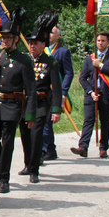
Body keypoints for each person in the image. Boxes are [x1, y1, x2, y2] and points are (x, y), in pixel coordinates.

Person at [0, 8, 36, 193]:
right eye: (2, 37)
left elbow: (30, 89)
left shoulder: (24, 61)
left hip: (12, 106)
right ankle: (0, 167)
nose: (4, 40)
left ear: (15, 39)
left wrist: (30, 114)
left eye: (8, 38)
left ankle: (4, 178)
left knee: (8, 141)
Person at [19, 17, 61, 184]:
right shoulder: (24, 61)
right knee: (25, 136)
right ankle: (28, 163)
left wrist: (57, 110)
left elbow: (56, 88)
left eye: (36, 43)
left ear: (43, 45)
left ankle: (34, 169)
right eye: (30, 43)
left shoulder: (50, 62)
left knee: (36, 137)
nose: (32, 46)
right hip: (24, 104)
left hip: (41, 104)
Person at [71, 31, 109, 158]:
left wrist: (101, 65)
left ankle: (103, 147)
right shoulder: (90, 57)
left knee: (105, 121)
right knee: (88, 120)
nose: (100, 43)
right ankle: (83, 147)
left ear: (108, 42)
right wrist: (90, 91)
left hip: (106, 94)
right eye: (98, 40)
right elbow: (83, 78)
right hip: (92, 94)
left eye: (103, 40)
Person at [42, 24, 73, 162]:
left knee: (47, 121)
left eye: (52, 33)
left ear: (58, 35)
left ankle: (45, 150)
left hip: (55, 91)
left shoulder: (62, 52)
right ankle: (50, 149)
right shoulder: (41, 49)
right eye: (47, 32)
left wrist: (63, 91)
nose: (49, 35)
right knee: (44, 121)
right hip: (42, 90)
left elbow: (68, 73)